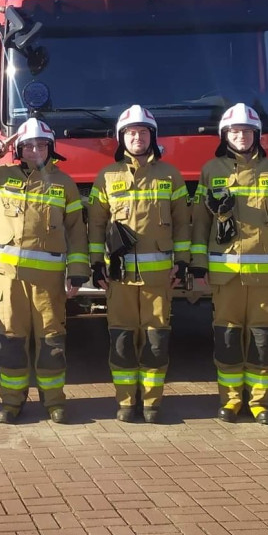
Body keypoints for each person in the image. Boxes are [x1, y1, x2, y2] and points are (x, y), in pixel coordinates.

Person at [0, 118, 89, 424]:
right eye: (28, 145)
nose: (35, 150)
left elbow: (76, 232)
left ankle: (54, 402)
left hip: (49, 283)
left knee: (52, 344)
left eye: (42, 144)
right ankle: (12, 403)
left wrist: (78, 270)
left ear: (51, 148)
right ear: (18, 149)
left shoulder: (63, 183)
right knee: (12, 343)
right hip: (10, 281)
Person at [190, 104, 268, 425]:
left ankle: (260, 403)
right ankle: (231, 401)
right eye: (235, 131)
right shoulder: (211, 170)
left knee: (263, 340)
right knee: (226, 338)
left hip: (265, 275)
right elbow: (200, 223)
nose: (241, 137)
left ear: (257, 135)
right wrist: (198, 263)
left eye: (247, 131)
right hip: (225, 276)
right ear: (225, 136)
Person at [87, 105, 190, 424]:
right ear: (122, 138)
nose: (137, 137)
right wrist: (95, 263)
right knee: (121, 341)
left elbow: (183, 223)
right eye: (131, 133)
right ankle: (125, 402)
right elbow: (96, 224)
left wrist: (183, 262)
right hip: (119, 279)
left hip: (158, 279)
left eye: (143, 132)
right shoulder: (107, 176)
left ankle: (152, 403)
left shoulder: (170, 175)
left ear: (152, 137)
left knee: (156, 342)